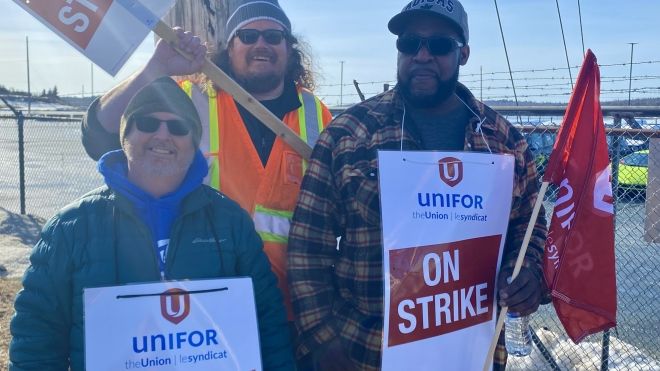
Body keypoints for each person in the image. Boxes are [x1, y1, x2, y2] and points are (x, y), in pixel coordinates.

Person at [288, 1, 548, 370]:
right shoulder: (350, 134)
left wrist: (530, 274)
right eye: (410, 43)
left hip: (471, 353)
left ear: (464, 54)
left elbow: (529, 224)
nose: (422, 55)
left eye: (439, 45)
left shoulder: (503, 141)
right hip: (365, 353)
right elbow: (308, 247)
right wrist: (323, 342)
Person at [9, 77, 294, 370]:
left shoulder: (230, 221)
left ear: (193, 142)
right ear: (125, 136)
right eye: (147, 123)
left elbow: (268, 324)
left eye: (178, 127)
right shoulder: (71, 228)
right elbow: (37, 340)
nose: (163, 135)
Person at [80, 0, 332, 320]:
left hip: (291, 308)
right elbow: (98, 134)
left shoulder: (316, 114)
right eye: (248, 35)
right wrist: (155, 68)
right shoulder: (191, 98)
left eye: (273, 36)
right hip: (202, 301)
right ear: (229, 47)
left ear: (289, 47)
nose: (261, 44)